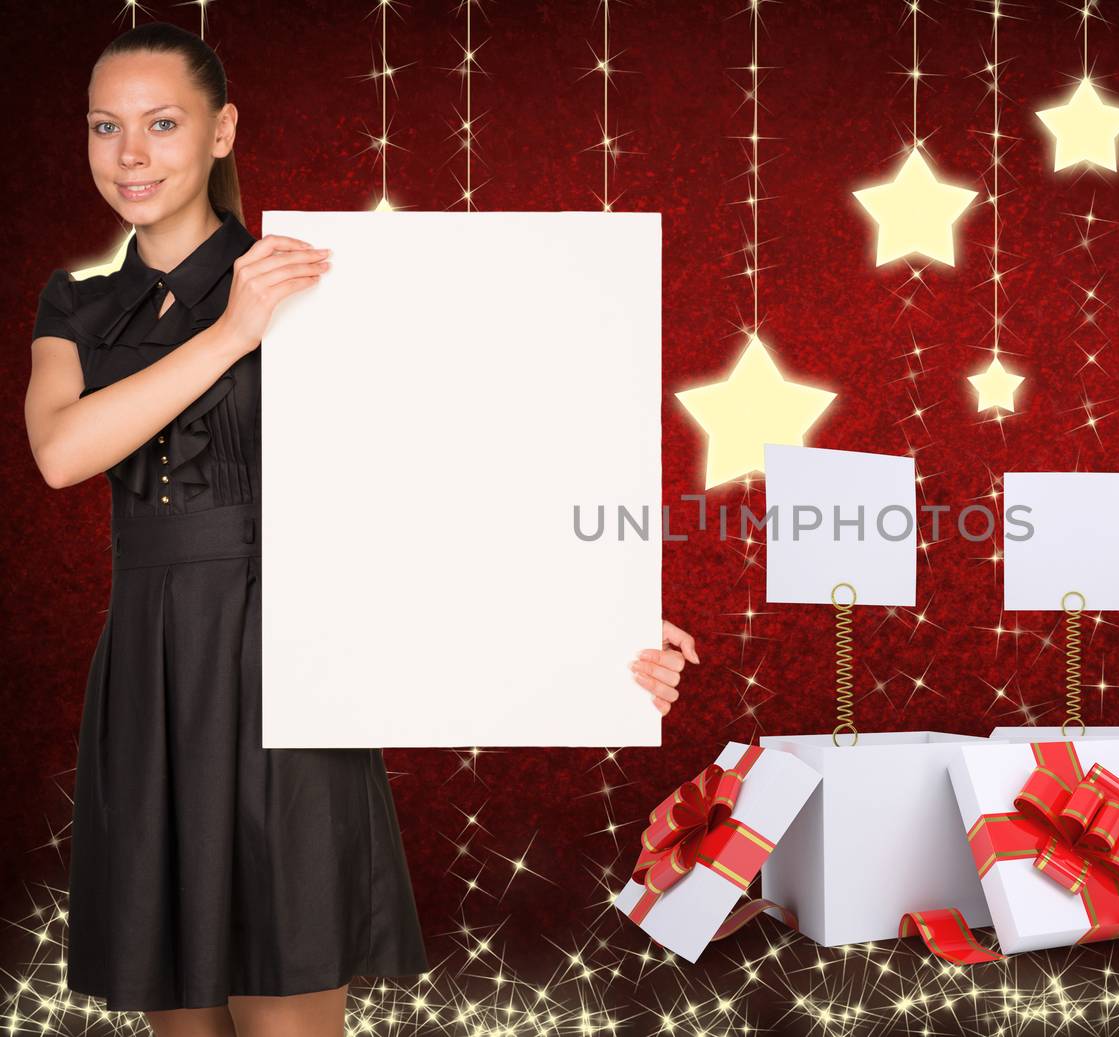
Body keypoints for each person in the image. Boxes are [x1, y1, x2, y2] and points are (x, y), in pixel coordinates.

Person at [23, 21, 698, 1037]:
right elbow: (63, 451)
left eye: (163, 124)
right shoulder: (73, 301)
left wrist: (605, 626)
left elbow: (453, 474)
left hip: (298, 663)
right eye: (105, 126)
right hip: (151, 675)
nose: (131, 155)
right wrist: (232, 333)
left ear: (221, 131)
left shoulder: (316, 276)